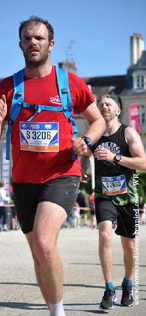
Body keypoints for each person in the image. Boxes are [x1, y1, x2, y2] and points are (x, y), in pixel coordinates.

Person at [0, 16, 105, 316]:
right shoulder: (8, 88)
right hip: (23, 180)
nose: (32, 42)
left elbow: (97, 120)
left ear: (50, 44)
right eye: (27, 38)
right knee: (39, 254)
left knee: (43, 243)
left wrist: (86, 142)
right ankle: (53, 309)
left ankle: (58, 312)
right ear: (20, 44)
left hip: (61, 173)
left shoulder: (70, 83)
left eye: (38, 38)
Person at [80, 94, 146, 310]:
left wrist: (115, 157)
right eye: (100, 104)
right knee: (104, 234)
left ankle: (127, 284)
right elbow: (85, 155)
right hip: (103, 195)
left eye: (108, 104)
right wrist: (83, 171)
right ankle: (109, 288)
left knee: (128, 246)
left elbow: (143, 163)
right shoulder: (94, 134)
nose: (103, 106)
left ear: (118, 110)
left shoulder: (128, 133)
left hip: (128, 196)